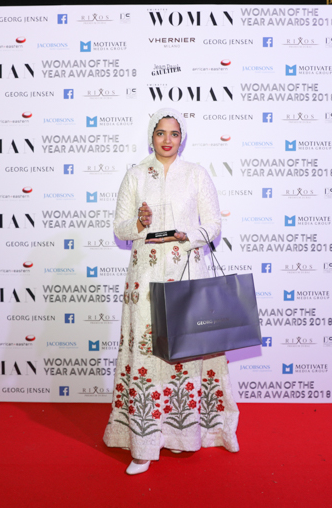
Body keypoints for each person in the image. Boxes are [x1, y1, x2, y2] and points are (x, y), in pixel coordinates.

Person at [103, 107, 240, 475]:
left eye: (174, 133)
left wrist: (186, 235)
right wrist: (139, 222)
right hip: (145, 279)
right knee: (148, 353)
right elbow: (119, 228)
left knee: (186, 352)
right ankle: (144, 443)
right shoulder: (135, 174)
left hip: (186, 272)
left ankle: (185, 433)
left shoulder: (196, 174)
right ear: (151, 136)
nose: (167, 139)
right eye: (161, 132)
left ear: (182, 138)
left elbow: (213, 225)